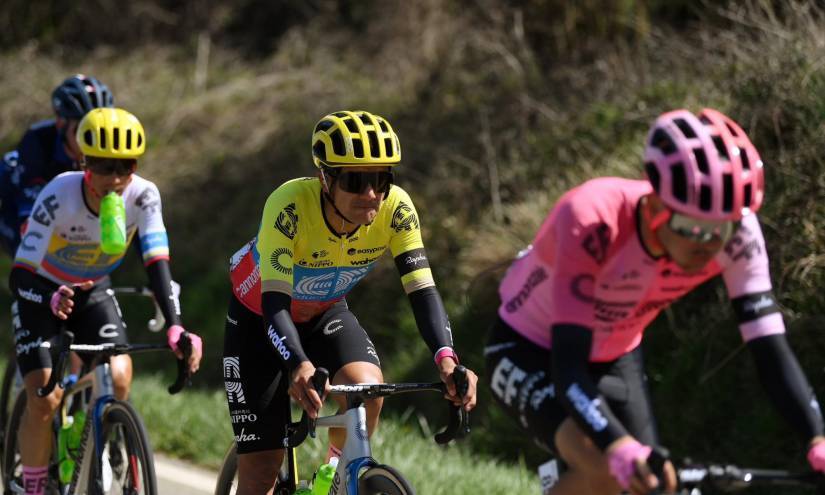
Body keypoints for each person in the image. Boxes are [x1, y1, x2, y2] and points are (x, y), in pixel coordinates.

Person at [485, 108, 825, 495]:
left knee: (652, 485)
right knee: (610, 471)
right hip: (531, 348)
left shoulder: (740, 235)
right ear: (656, 205)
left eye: (722, 228)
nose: (709, 243)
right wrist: (618, 446)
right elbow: (568, 366)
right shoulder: (594, 220)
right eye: (692, 226)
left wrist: (817, 439)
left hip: (616, 352)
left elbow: (770, 350)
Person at [223, 110, 478, 494]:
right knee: (261, 471)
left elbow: (423, 291)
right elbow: (274, 305)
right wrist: (298, 364)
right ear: (325, 178)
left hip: (325, 312)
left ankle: (334, 476)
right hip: (259, 320)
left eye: (381, 180)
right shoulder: (289, 207)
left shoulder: (397, 209)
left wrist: (447, 359)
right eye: (356, 181)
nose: (371, 194)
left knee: (367, 390)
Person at [10, 107, 203, 495]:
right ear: (84, 162)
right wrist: (49, 298)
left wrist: (176, 326)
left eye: (124, 166)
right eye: (102, 166)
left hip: (92, 288)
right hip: (44, 291)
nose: (114, 178)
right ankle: (33, 487)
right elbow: (19, 275)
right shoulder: (59, 194)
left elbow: (157, 263)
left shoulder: (143, 195)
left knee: (118, 376)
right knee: (44, 398)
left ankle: (99, 435)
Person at [0, 74, 113, 256]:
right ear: (61, 123)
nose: (92, 141)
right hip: (15, 206)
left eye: (99, 131)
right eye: (82, 130)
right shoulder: (38, 141)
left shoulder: (111, 147)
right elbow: (31, 219)